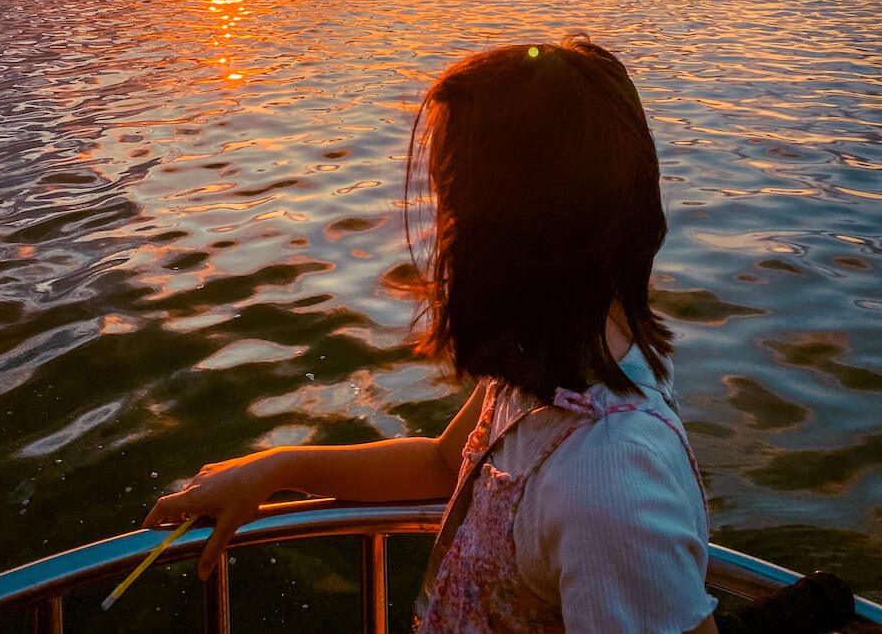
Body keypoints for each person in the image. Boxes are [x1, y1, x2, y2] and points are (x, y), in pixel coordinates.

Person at [144, 37, 719, 632]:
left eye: (450, 204)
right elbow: (445, 464)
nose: (441, 233)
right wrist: (273, 468)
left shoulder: (609, 486)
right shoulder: (551, 368)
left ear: (505, 235)